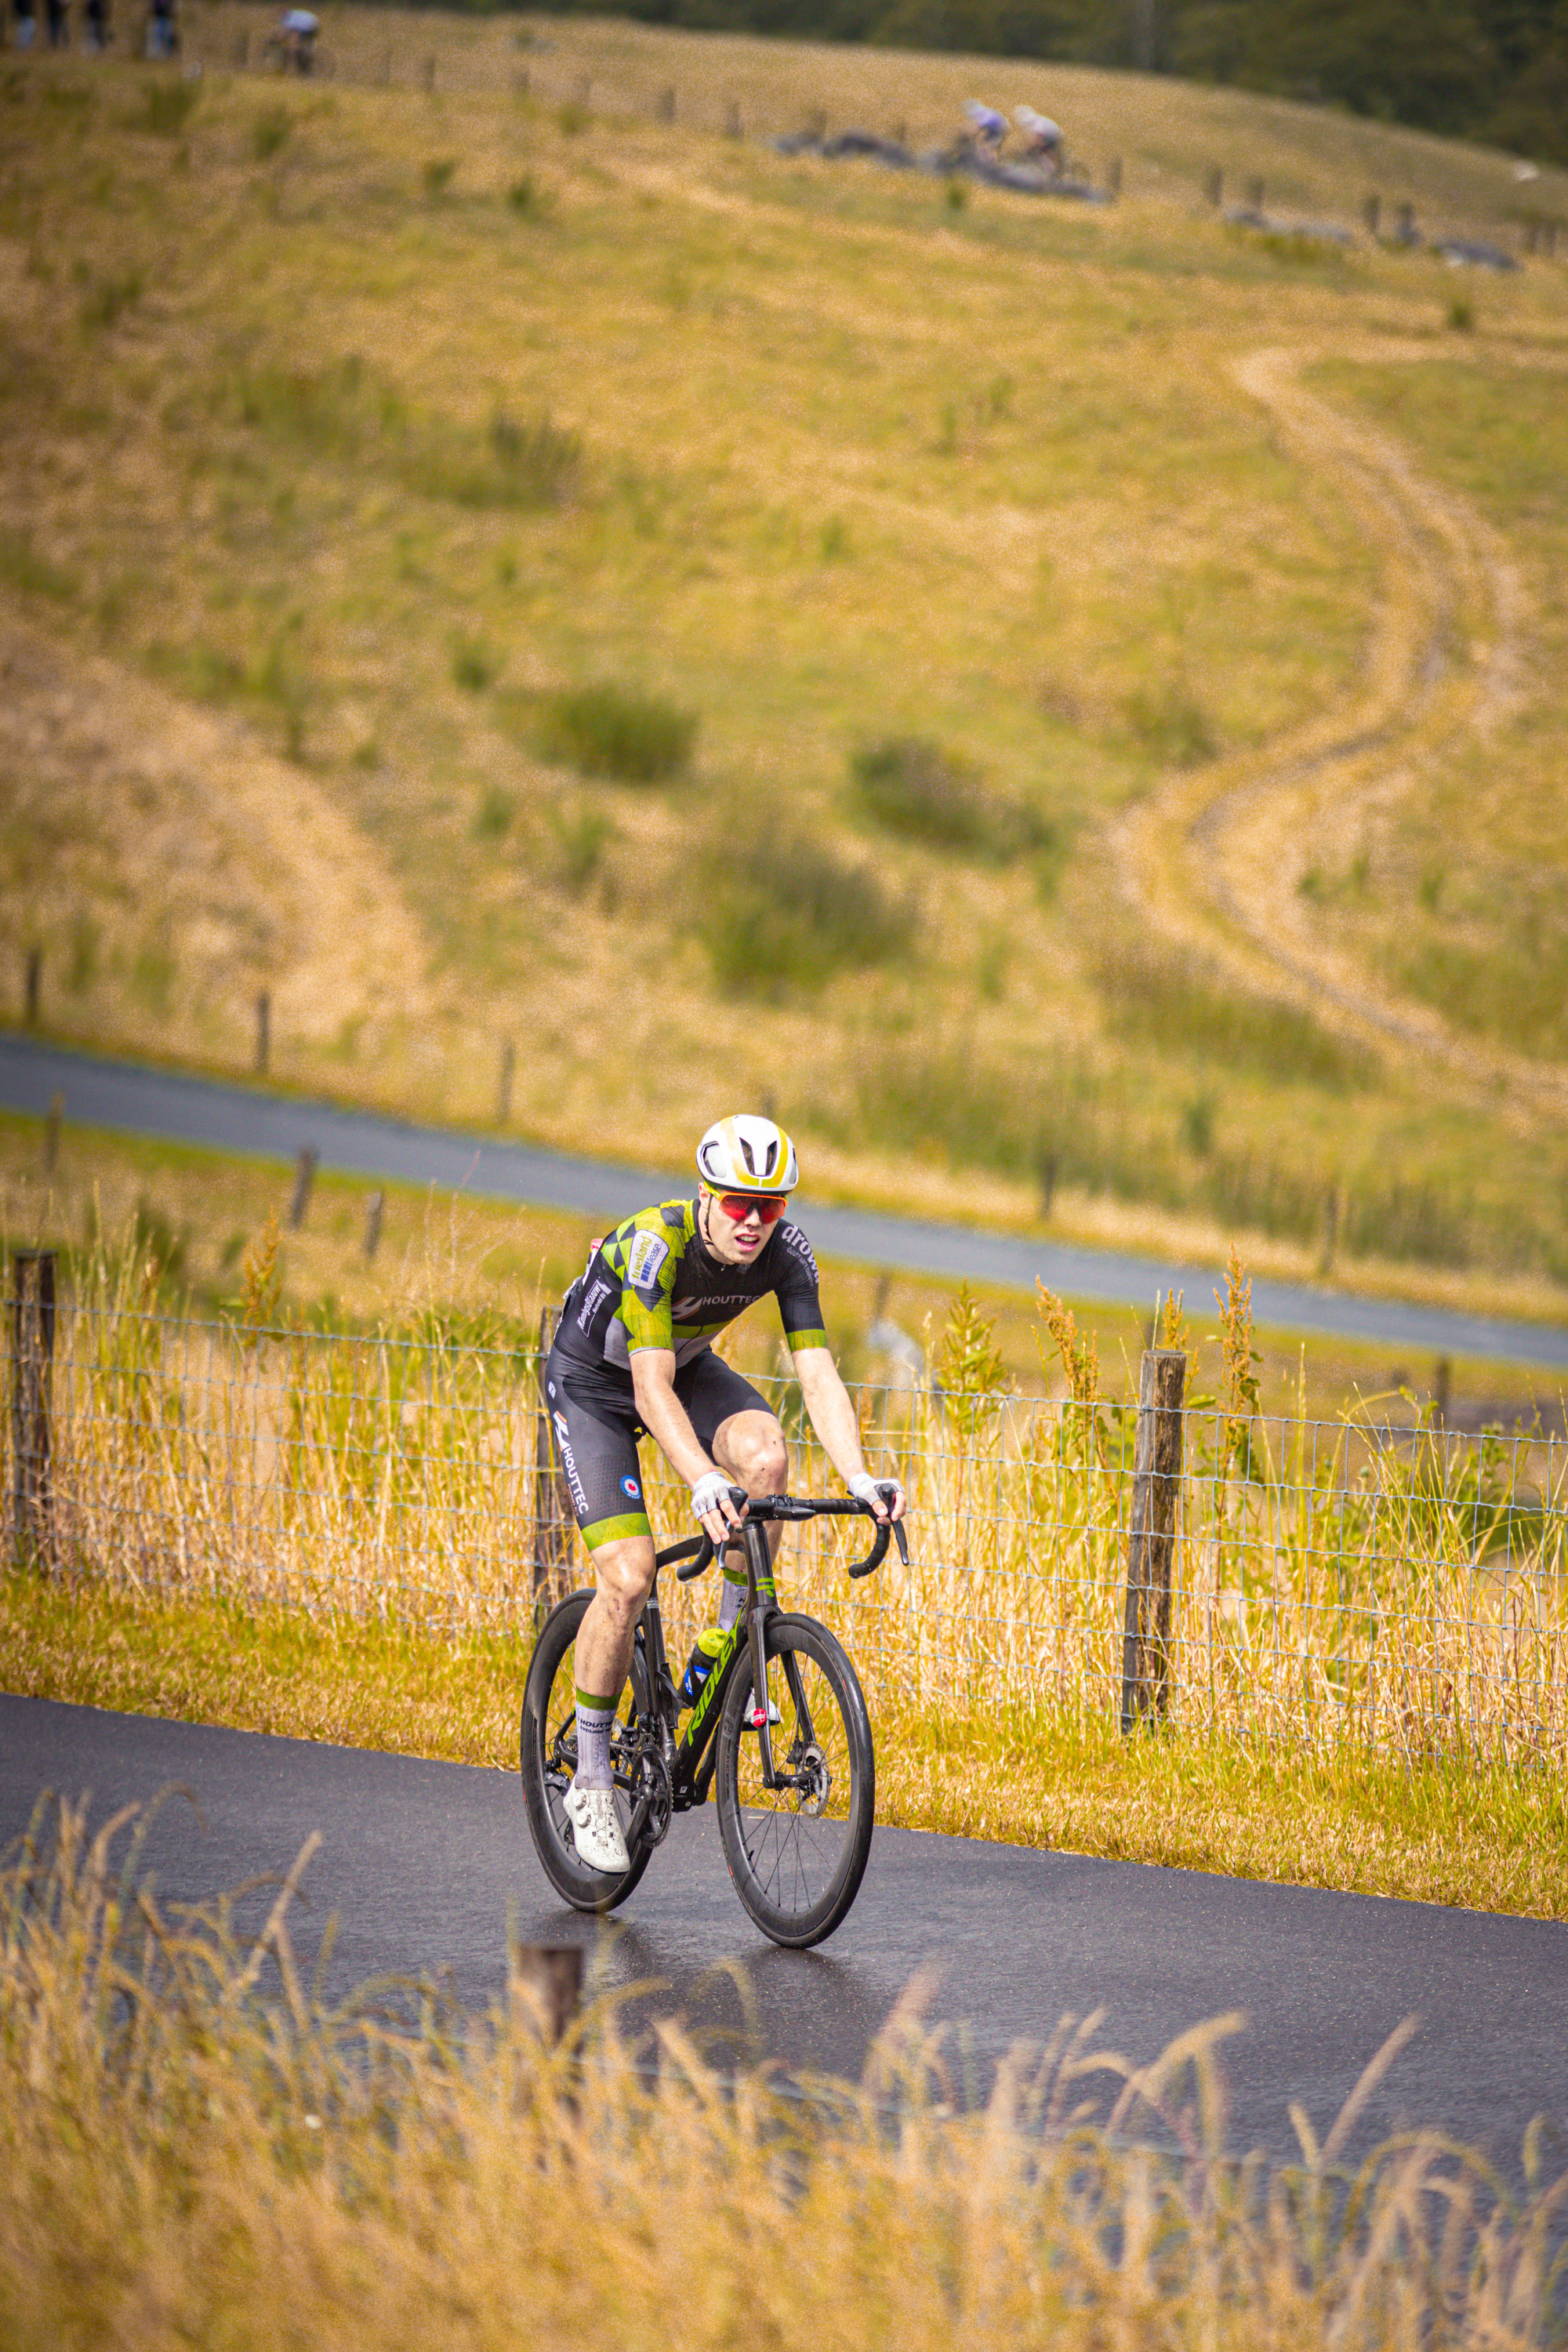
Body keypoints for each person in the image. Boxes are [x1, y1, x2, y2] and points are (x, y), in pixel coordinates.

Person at [543, 1112, 906, 1873]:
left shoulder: (786, 1252)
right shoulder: (655, 1244)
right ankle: (591, 1774)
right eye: (738, 1203)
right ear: (704, 1194)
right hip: (596, 1382)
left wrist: (857, 1475)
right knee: (630, 1576)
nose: (752, 1221)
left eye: (769, 1206)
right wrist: (703, 1478)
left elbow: (816, 1371)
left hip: (680, 1367)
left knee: (768, 1463)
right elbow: (647, 1389)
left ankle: (729, 1649)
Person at [1013, 106, 1063, 172]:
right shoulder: (1038, 120)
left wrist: (1029, 148)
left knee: (1037, 152)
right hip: (1054, 135)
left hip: (1050, 136)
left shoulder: (1035, 125)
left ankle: (1048, 169)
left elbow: (1036, 139)